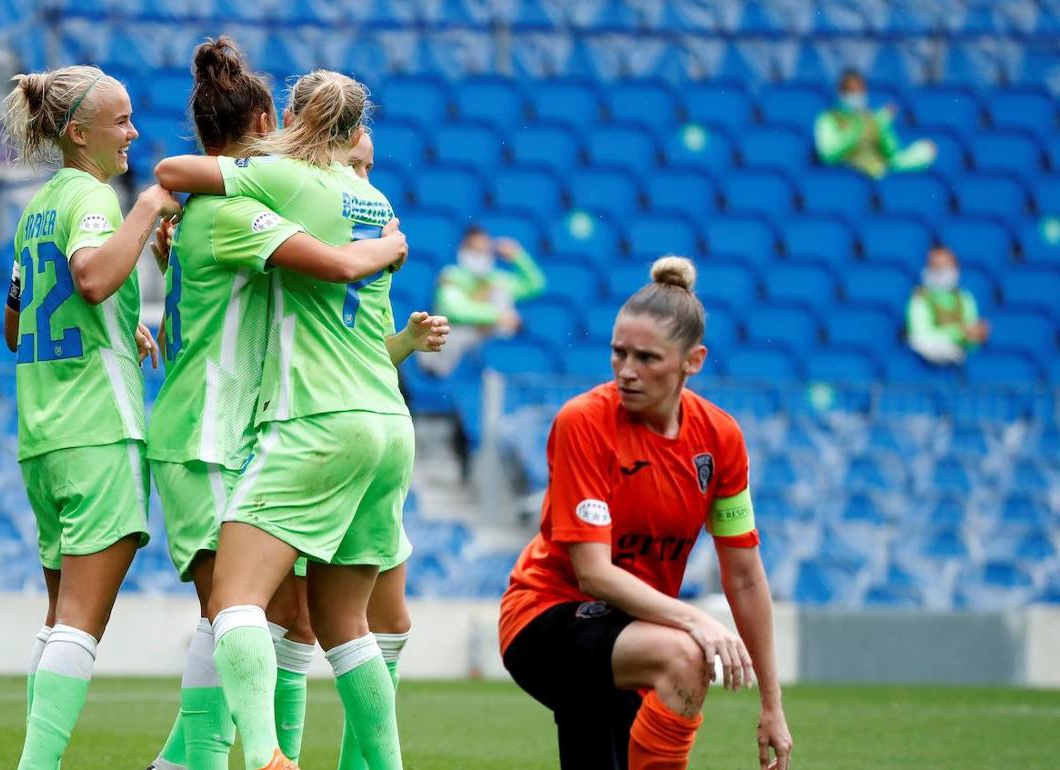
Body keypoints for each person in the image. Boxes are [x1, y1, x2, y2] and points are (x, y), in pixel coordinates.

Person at [142, 39, 413, 770]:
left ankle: (245, 757)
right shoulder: (363, 199)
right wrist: (380, 251)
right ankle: (212, 761)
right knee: (297, 617)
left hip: (292, 421)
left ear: (293, 116)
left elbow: (174, 179)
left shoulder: (271, 188)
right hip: (246, 428)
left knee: (258, 609)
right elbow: (322, 262)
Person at [498, 256, 794, 770]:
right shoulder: (583, 422)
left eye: (648, 358)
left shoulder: (721, 439)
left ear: (693, 361)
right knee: (684, 655)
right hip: (546, 618)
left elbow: (744, 578)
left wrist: (773, 704)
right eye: (618, 354)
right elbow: (591, 573)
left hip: (631, 628)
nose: (627, 371)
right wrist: (697, 620)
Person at [0, 64, 181, 770]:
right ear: (79, 133)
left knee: (59, 621)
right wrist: (150, 208)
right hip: (98, 429)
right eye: (122, 121)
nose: (133, 132)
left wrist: (119, 328)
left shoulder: (37, 207)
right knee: (81, 624)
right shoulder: (97, 201)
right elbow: (94, 277)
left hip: (44, 436)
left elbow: (16, 327)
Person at [262, 129, 448, 770]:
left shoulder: (366, 229)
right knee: (301, 619)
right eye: (355, 163)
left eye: (371, 166)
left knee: (388, 622)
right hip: (315, 426)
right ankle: (281, 754)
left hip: (370, 424)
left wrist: (405, 342)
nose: (366, 179)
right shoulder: (305, 223)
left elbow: (358, 348)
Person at [423, 225, 545, 376]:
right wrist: (498, 316)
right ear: (462, 250)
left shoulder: (495, 278)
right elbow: (455, 310)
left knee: (500, 292)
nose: (480, 255)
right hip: (453, 345)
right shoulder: (451, 275)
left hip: (487, 341)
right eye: (474, 250)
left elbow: (535, 286)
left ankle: (499, 360)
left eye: (484, 250)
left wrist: (517, 256)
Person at [814, 69, 936, 179]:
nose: (856, 95)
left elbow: (893, 156)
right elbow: (828, 155)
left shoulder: (874, 119)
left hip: (878, 176)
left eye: (860, 90)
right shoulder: (828, 119)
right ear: (841, 93)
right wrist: (855, 131)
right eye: (850, 90)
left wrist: (882, 124)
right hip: (845, 179)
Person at [907, 244, 990, 365]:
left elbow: (973, 337)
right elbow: (920, 337)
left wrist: (975, 333)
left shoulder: (964, 298)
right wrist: (960, 333)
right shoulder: (920, 298)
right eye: (935, 266)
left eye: (945, 265)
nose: (941, 270)